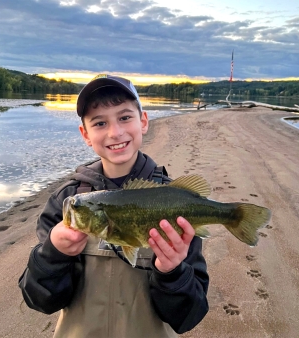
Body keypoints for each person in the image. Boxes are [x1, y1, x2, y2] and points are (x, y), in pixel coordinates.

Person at [19, 74, 209, 337]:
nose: (115, 132)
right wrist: (53, 254)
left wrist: (172, 271)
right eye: (99, 122)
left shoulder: (173, 199)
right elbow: (40, 300)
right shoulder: (67, 201)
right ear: (85, 134)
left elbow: (188, 316)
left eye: (124, 117)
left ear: (143, 121)